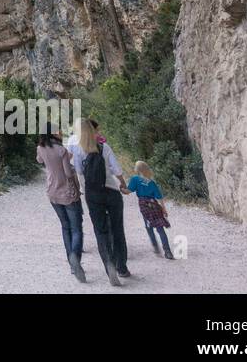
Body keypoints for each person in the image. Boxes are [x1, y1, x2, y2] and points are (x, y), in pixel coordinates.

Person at [67, 118, 131, 285]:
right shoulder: (104, 147)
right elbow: (117, 170)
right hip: (111, 192)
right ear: (92, 130)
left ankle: (109, 264)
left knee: (100, 231)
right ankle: (122, 267)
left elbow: (79, 172)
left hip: (93, 195)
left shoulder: (79, 150)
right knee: (117, 229)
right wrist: (123, 184)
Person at [36, 125, 85, 282]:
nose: (61, 132)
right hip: (67, 192)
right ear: (53, 133)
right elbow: (68, 173)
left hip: (52, 192)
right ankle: (74, 257)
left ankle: (72, 265)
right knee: (76, 228)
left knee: (65, 227)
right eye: (58, 130)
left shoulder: (40, 148)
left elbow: (39, 160)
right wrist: (69, 162)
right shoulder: (61, 150)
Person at [128, 161, 174, 259]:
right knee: (160, 228)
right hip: (154, 205)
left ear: (137, 169)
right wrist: (164, 209)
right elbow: (159, 197)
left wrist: (121, 189)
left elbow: (129, 190)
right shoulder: (152, 182)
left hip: (144, 205)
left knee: (149, 226)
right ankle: (167, 251)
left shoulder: (135, 179)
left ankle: (155, 246)